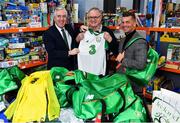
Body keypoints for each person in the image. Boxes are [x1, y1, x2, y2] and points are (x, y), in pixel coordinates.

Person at [76, 7, 119, 75]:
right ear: (87, 18)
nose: (93, 19)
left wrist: (110, 40)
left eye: (96, 17)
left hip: (100, 72)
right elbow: (74, 48)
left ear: (101, 17)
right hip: (84, 71)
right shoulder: (83, 31)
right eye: (90, 17)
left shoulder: (107, 31)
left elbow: (116, 51)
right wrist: (77, 39)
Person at [116, 11, 148, 93]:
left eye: (127, 22)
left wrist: (122, 60)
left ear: (134, 23)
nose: (124, 25)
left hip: (133, 86)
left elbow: (141, 64)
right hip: (122, 82)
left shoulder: (140, 41)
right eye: (123, 22)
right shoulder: (123, 39)